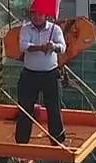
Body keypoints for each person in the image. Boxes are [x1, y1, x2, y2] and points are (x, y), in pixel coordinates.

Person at [14, 12, 68, 145]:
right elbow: (24, 46)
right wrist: (41, 47)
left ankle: (57, 140)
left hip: (50, 74)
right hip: (30, 75)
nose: (36, 17)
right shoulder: (26, 29)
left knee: (54, 108)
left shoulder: (55, 29)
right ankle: (22, 140)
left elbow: (62, 47)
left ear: (46, 16)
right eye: (34, 15)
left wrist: (53, 46)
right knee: (25, 107)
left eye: (39, 15)